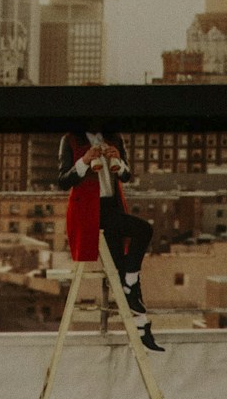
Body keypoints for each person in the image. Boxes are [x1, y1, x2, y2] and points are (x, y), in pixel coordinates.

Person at [56, 130, 160, 349]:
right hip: (88, 211)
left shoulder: (115, 138)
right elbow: (63, 181)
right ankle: (132, 288)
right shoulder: (71, 139)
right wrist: (84, 161)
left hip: (112, 209)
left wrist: (119, 161)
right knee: (143, 230)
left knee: (122, 268)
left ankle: (142, 329)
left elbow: (126, 176)